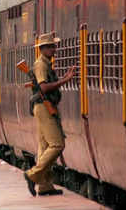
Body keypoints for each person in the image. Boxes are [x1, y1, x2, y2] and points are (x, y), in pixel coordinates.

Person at [23, 32, 76, 197]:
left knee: (45, 146)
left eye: (54, 46)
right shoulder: (41, 65)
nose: (54, 49)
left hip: (45, 107)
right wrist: (66, 80)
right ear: (43, 48)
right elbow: (44, 87)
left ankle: (45, 186)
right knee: (57, 144)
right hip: (44, 107)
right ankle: (32, 175)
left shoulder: (46, 63)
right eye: (51, 46)